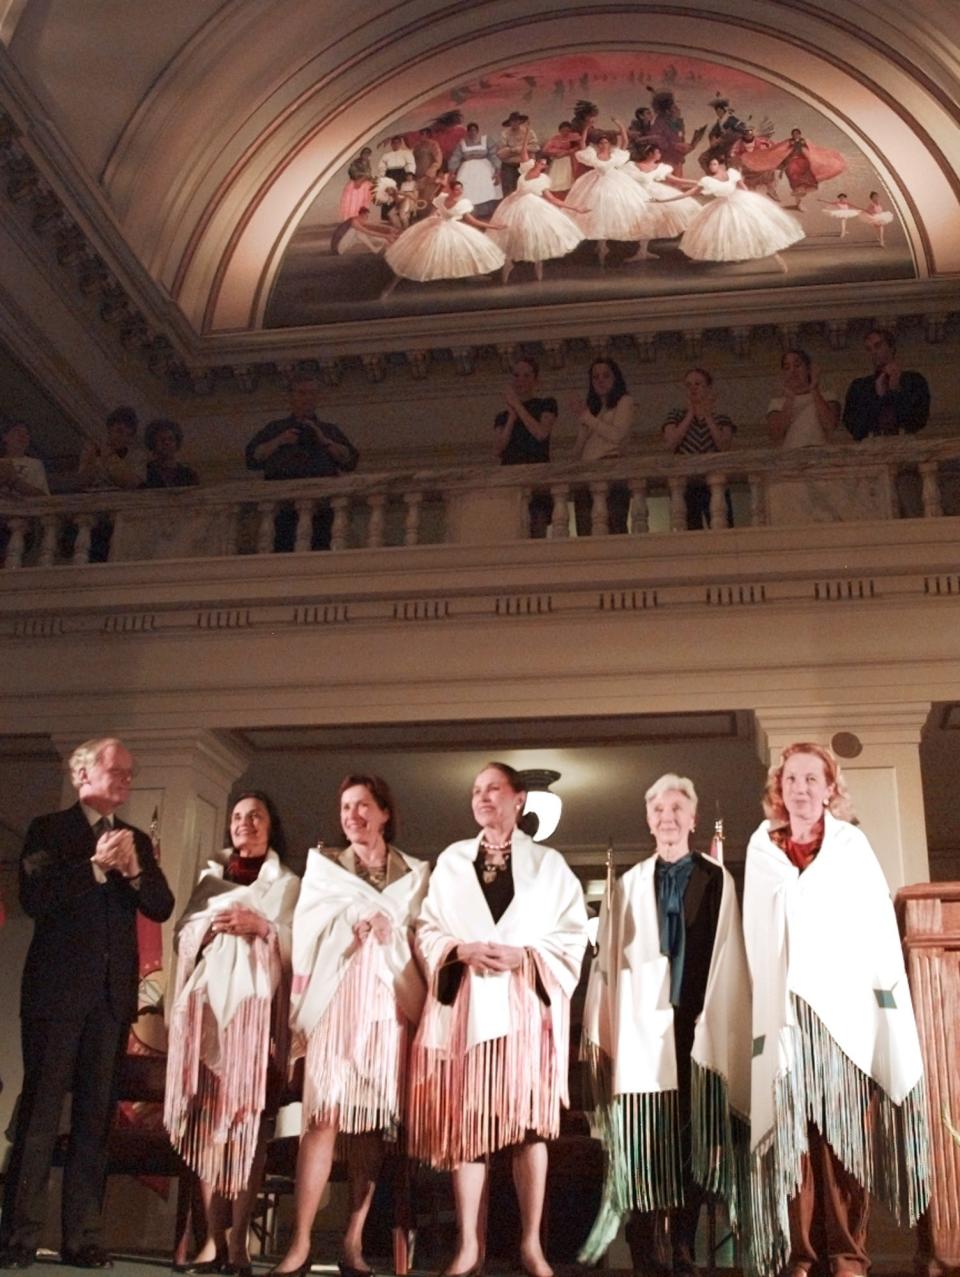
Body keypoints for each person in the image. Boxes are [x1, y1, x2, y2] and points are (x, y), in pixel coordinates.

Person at [743, 743, 929, 1277]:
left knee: (842, 1134)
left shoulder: (851, 847)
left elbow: (874, 929)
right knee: (793, 1137)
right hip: (785, 1014)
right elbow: (757, 936)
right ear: (779, 789)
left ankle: (847, 1254)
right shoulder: (763, 850)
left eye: (811, 779)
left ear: (830, 788)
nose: (800, 789)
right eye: (791, 779)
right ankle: (800, 1257)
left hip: (842, 1014)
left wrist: (885, 1007)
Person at [408, 763, 588, 1277]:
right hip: (466, 1006)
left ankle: (531, 1245)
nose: (483, 798)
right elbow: (427, 928)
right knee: (469, 1126)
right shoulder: (450, 861)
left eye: (493, 790)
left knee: (528, 1128)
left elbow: (572, 934)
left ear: (518, 799)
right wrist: (459, 948)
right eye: (476, 792)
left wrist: (526, 957)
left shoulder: (549, 865)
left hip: (523, 1009)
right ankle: (469, 1245)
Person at [0, 737, 174, 1270]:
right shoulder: (49, 830)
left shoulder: (136, 840)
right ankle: (18, 1237)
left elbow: (161, 905)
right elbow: (35, 898)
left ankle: (82, 1238)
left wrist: (134, 871)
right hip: (56, 997)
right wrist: (96, 868)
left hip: (109, 1001)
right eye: (115, 770)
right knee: (41, 1115)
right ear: (82, 775)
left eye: (130, 772)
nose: (125, 779)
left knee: (96, 1121)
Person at [580, 774, 750, 1277]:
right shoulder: (629, 883)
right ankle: (647, 1248)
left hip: (697, 1025)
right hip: (642, 1031)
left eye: (677, 808)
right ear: (649, 820)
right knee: (645, 1139)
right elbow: (608, 964)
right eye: (658, 810)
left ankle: (681, 1243)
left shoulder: (718, 879)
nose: (668, 817)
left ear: (693, 819)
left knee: (694, 1140)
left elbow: (729, 953)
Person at [269, 775, 429, 1277]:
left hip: (386, 1005)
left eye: (363, 806)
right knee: (322, 1119)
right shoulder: (325, 869)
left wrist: (390, 932)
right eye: (344, 807)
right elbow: (306, 932)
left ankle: (353, 1241)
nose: (352, 815)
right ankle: (299, 1243)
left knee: (368, 1128)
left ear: (384, 813)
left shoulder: (415, 874)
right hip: (337, 1001)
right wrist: (350, 925)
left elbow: (423, 936)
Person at [165, 792, 298, 1277]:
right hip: (206, 1016)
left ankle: (239, 1242)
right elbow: (183, 937)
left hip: (254, 1020)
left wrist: (261, 925)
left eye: (256, 816)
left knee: (246, 1126)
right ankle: (211, 1241)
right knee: (207, 1126)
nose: (245, 824)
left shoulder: (287, 884)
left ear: (271, 826)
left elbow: (298, 942)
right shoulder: (209, 879)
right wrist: (209, 929)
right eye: (238, 818)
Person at [245, 375, 360, 552]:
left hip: (323, 510)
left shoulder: (329, 430)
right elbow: (252, 458)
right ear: (291, 397)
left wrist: (324, 440)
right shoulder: (275, 428)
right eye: (302, 393)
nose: (308, 398)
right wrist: (280, 440)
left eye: (313, 393)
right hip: (282, 511)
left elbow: (350, 460)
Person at [486, 129, 585, 283]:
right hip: (515, 205)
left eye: (544, 164)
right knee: (512, 235)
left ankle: (535, 274)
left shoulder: (543, 180)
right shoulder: (526, 168)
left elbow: (552, 199)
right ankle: (508, 270)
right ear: (537, 162)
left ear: (545, 166)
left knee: (533, 236)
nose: (541, 165)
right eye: (540, 162)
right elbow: (524, 152)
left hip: (534, 208)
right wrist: (526, 136)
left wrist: (574, 208)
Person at [381, 177, 505, 298]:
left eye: (461, 189)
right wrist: (430, 220)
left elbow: (473, 221)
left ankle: (468, 274)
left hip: (454, 228)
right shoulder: (441, 199)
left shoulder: (463, 203)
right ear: (450, 190)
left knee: (462, 250)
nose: (460, 192)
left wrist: (493, 226)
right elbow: (433, 212)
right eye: (456, 189)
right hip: (438, 225)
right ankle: (402, 280)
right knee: (424, 251)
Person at [679, 158, 804, 271]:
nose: (712, 166)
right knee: (719, 232)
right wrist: (668, 199)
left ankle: (776, 258)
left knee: (754, 229)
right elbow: (691, 192)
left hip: (739, 202)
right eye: (711, 164)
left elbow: (743, 187)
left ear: (721, 165)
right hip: (721, 206)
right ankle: (705, 255)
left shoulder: (732, 173)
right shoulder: (707, 180)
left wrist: (753, 202)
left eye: (715, 163)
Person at [565, 121, 658, 266]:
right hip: (595, 182)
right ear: (598, 145)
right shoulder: (593, 155)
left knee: (615, 209)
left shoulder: (615, 155)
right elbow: (583, 144)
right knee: (596, 210)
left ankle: (606, 244)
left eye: (606, 143)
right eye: (601, 143)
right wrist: (587, 128)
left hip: (615, 181)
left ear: (609, 144)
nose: (603, 145)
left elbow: (625, 142)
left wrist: (620, 125)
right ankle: (601, 245)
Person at [662, 368, 735, 528]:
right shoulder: (675, 416)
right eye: (688, 385)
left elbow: (724, 446)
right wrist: (690, 414)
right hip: (686, 487)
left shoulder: (721, 418)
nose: (693, 388)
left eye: (697, 384)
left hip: (714, 485)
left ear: (708, 388)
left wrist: (707, 415)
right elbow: (671, 443)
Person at [493, 357, 557, 538]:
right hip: (511, 481)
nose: (520, 380)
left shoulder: (546, 404)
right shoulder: (503, 416)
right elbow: (498, 449)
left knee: (536, 531)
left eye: (526, 375)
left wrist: (518, 406)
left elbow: (540, 433)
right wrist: (512, 417)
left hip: (536, 481)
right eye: (516, 375)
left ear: (536, 380)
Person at [572, 357, 634, 535]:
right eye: (595, 377)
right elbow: (577, 453)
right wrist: (584, 427)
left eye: (605, 376)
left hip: (611, 472)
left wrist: (588, 419)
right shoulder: (592, 410)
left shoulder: (624, 402)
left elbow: (617, 435)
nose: (600, 380)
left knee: (614, 526)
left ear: (616, 378)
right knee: (585, 533)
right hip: (587, 475)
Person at [842, 328, 930, 441]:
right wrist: (879, 397)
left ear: (891, 347)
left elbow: (918, 419)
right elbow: (854, 426)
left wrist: (895, 390)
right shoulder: (859, 386)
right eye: (869, 349)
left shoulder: (914, 381)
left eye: (878, 346)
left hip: (905, 441)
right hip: (870, 444)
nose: (873, 352)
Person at [767, 350, 839, 448]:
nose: (792, 371)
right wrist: (789, 399)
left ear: (808, 369)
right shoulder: (777, 403)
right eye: (787, 368)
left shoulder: (828, 396)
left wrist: (814, 389)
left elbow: (830, 424)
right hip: (790, 455)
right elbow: (776, 434)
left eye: (797, 365)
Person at [76, 406, 146, 492]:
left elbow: (133, 484)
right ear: (109, 429)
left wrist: (111, 458)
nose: (121, 437)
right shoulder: (93, 450)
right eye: (119, 431)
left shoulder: (138, 456)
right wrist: (98, 461)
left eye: (127, 434)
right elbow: (82, 481)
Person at [448, 122, 501, 218]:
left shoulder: (486, 140)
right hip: (467, 169)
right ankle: (470, 213)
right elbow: (456, 157)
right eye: (470, 131)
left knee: (485, 188)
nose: (472, 133)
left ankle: (486, 213)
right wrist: (452, 172)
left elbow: (494, 155)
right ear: (467, 132)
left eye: (474, 130)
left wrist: (497, 171)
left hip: (484, 167)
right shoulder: (462, 143)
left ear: (477, 131)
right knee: (468, 189)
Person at [143, 419, 199, 488]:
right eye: (162, 440)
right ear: (153, 443)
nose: (167, 443)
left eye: (171, 439)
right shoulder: (145, 473)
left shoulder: (188, 474)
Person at [0, 422, 49, 496]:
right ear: (5, 437)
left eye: (26, 433)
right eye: (17, 431)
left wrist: (14, 480)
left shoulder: (35, 464)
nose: (22, 436)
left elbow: (42, 496)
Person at [498, 112, 539, 196]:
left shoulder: (528, 132)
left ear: (520, 121)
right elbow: (501, 153)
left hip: (525, 165)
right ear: (509, 123)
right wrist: (513, 150)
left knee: (528, 187)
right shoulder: (504, 134)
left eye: (516, 121)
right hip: (509, 165)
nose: (514, 123)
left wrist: (520, 149)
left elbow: (535, 147)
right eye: (512, 121)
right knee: (509, 190)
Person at [542, 121, 580, 194]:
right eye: (563, 130)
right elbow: (545, 149)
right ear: (559, 130)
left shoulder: (574, 137)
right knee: (557, 166)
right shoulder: (555, 138)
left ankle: (567, 187)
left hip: (569, 159)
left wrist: (565, 153)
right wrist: (557, 152)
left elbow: (577, 147)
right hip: (557, 158)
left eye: (567, 131)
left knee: (567, 167)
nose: (565, 132)